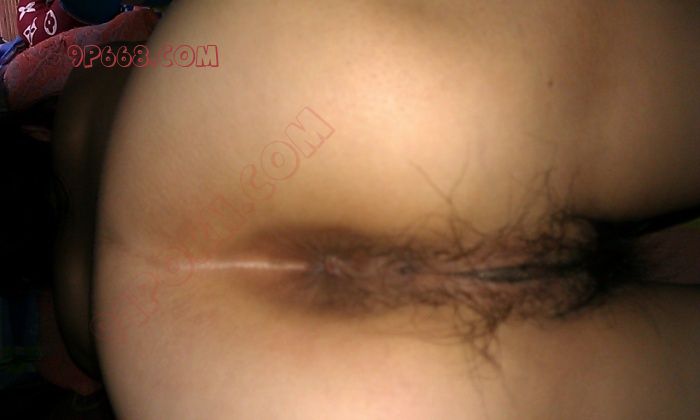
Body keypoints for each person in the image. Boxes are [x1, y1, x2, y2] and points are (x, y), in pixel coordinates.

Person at [51, 1, 699, 418]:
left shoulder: (75, 341)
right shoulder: (85, 86)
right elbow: (137, 27)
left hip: (211, 387)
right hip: (280, 77)